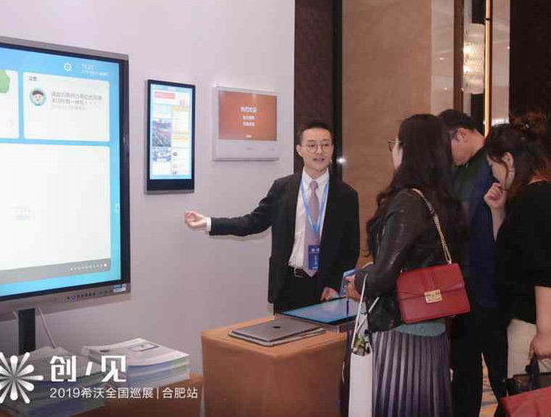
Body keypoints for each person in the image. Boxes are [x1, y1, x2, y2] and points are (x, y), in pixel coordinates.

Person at [345, 114, 465, 417]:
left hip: (401, 332)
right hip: (434, 330)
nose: (393, 151)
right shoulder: (445, 200)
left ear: (408, 150)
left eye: (395, 143)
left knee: (400, 404)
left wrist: (359, 279)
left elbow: (383, 277)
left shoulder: (408, 201)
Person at [184, 121, 360, 312]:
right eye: (312, 145)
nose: (319, 151)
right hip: (287, 284)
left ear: (332, 149)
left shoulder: (346, 195)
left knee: (321, 334)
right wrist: (209, 222)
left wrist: (334, 283)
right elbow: (253, 222)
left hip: (325, 289)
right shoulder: (282, 188)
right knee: (285, 332)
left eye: (325, 145)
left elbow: (350, 248)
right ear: (299, 150)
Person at [437, 109, 507, 417]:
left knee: (501, 370)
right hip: (460, 286)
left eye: (447, 145)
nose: (446, 155)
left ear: (461, 134)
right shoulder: (457, 170)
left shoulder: (496, 162)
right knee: (463, 368)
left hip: (492, 286)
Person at [483, 122, 551, 379]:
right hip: (530, 320)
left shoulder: (535, 199)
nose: (494, 175)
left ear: (508, 159)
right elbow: (510, 252)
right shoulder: (529, 197)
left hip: (532, 324)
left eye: (493, 166)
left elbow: (544, 269)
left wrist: (545, 332)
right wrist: (498, 211)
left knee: (529, 395)